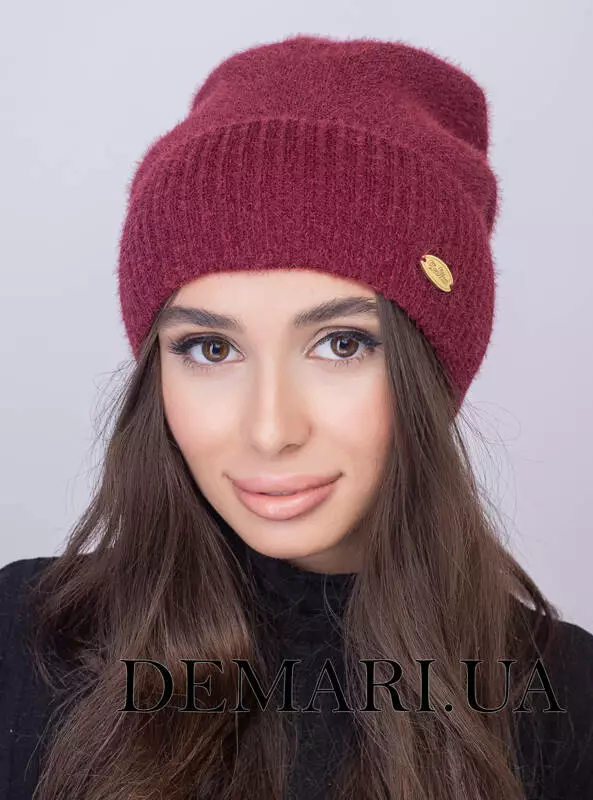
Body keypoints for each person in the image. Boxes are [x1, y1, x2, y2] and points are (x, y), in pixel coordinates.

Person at [1, 33, 592, 800]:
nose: (270, 430)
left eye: (341, 343)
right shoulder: (26, 641)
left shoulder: (565, 699)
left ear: (429, 370)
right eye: (211, 348)